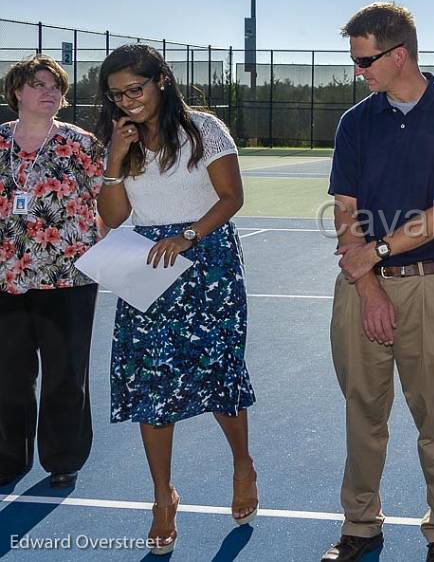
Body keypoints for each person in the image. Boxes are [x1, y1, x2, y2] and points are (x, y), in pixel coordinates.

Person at [323, 2, 434, 562]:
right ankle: (360, 524)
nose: (357, 71)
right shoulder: (356, 123)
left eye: (364, 60)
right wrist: (368, 285)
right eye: (355, 61)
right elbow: (346, 210)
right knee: (363, 410)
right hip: (361, 285)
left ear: (399, 55)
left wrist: (379, 252)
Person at [95, 44, 257, 556]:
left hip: (207, 262)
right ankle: (163, 498)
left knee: (218, 372)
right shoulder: (118, 138)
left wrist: (188, 235)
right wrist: (116, 160)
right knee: (150, 384)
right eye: (116, 95)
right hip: (144, 264)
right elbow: (114, 217)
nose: (127, 101)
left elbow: (231, 197)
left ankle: (242, 464)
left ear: (161, 81)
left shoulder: (204, 129)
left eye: (134, 90)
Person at [0, 55, 104, 490]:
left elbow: (112, 200)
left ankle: (63, 458)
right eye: (39, 84)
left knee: (65, 373)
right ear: (16, 92)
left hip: (70, 279)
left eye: (56, 86)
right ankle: (8, 459)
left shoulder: (81, 144)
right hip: (7, 279)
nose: (50, 92)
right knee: (8, 374)